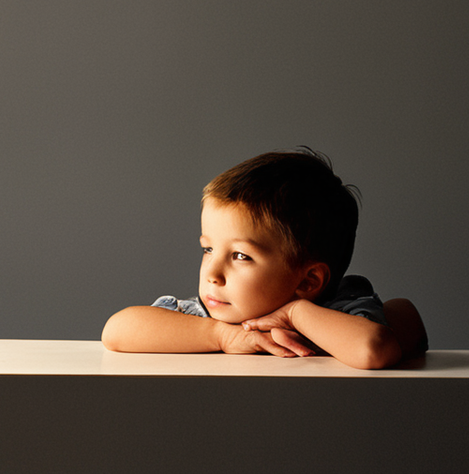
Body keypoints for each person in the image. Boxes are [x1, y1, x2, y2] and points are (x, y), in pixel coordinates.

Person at [101, 148, 427, 370]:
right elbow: (117, 330)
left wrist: (296, 314)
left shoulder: (340, 312)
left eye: (240, 256)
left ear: (308, 281)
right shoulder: (209, 318)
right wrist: (223, 336)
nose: (212, 273)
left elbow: (374, 349)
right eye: (208, 249)